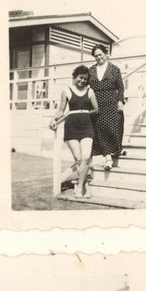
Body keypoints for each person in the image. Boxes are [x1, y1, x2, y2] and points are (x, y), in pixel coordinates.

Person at [49, 65, 99, 201]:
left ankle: (81, 186)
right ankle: (85, 186)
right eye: (80, 78)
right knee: (78, 159)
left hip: (86, 127)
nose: (83, 81)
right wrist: (53, 119)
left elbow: (96, 109)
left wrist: (85, 113)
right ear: (75, 77)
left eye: (85, 79)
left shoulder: (90, 91)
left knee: (87, 157)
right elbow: (61, 110)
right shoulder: (66, 91)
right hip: (71, 128)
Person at [88, 44, 126, 170]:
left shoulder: (114, 69)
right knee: (99, 129)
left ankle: (113, 153)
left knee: (111, 128)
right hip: (96, 103)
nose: (99, 57)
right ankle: (107, 158)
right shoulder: (91, 70)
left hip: (111, 102)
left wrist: (120, 101)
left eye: (100, 54)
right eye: (96, 56)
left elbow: (120, 87)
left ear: (106, 54)